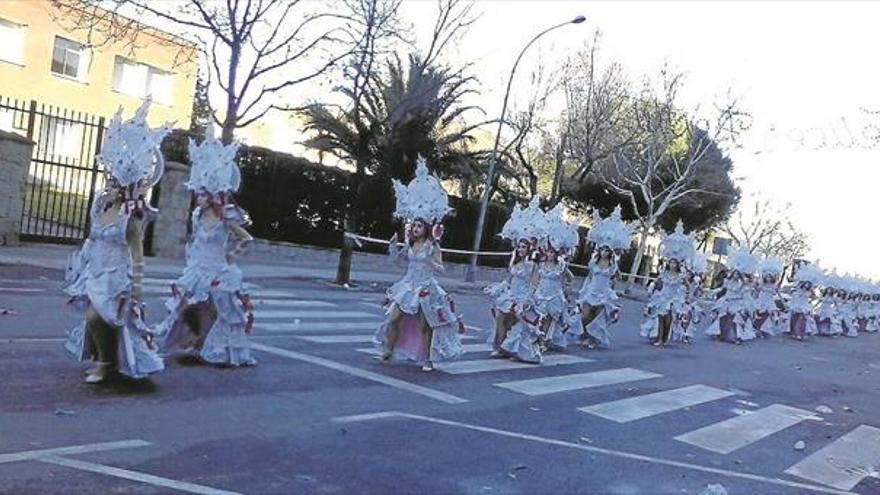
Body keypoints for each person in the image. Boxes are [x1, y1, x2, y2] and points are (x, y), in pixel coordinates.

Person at [63, 100, 169, 384]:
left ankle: (107, 363)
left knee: (98, 318)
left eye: (114, 182)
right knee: (94, 319)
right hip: (93, 272)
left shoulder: (130, 215)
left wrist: (136, 286)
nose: (109, 184)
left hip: (115, 277)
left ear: (125, 185)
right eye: (109, 179)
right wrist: (81, 263)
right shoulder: (100, 206)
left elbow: (137, 251)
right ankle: (103, 361)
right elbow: (92, 238)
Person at [157, 126, 256, 366]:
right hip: (198, 270)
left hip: (218, 271)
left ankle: (209, 345)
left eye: (201, 195)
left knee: (218, 311)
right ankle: (191, 339)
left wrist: (231, 257)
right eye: (197, 194)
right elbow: (195, 240)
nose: (197, 198)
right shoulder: (196, 216)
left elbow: (246, 238)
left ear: (212, 196)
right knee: (187, 306)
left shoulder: (225, 218)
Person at [374, 156, 465, 372]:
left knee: (426, 326)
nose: (415, 228)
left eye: (419, 225)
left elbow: (440, 268)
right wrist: (394, 248)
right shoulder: (410, 244)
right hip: (407, 286)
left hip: (425, 288)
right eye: (413, 224)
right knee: (394, 318)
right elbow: (398, 262)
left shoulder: (432, 247)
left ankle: (427, 359)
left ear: (426, 227)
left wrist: (431, 255)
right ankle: (388, 350)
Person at [484, 196, 542, 363]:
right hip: (510, 295)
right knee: (501, 319)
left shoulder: (532, 264)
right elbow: (508, 279)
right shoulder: (514, 259)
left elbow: (534, 282)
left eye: (524, 247)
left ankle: (513, 349)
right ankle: (501, 347)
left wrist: (528, 299)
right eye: (519, 246)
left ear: (529, 247)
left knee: (517, 324)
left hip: (523, 297)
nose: (521, 249)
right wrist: (497, 288)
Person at [577, 206, 631, 349]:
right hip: (592, 290)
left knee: (597, 318)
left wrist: (617, 267)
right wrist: (584, 289)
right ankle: (583, 334)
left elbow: (618, 278)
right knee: (584, 315)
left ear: (610, 252)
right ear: (600, 250)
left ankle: (592, 339)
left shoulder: (612, 264)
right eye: (603, 249)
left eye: (607, 250)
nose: (604, 252)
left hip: (604, 292)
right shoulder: (593, 261)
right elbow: (589, 276)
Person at [533, 205, 581, 352]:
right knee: (538, 318)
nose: (549, 254)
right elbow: (536, 278)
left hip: (554, 295)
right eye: (548, 252)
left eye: (552, 252)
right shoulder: (540, 264)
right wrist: (533, 291)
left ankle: (544, 341)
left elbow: (570, 278)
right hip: (541, 293)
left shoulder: (560, 266)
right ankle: (537, 338)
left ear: (556, 253)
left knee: (549, 318)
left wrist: (564, 267)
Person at [640, 221, 694, 347]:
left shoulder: (681, 275)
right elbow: (656, 282)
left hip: (673, 299)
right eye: (671, 262)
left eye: (674, 263)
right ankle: (659, 338)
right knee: (660, 318)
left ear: (678, 265)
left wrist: (686, 296)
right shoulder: (663, 273)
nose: (672, 264)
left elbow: (687, 286)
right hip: (662, 297)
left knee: (668, 320)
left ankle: (664, 338)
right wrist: (651, 289)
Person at [704, 248, 758, 344]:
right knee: (722, 317)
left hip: (737, 303)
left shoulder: (742, 283)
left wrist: (748, 286)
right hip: (727, 301)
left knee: (736, 319)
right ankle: (719, 334)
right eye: (734, 273)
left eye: (737, 273)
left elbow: (747, 290)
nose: (735, 275)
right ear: (732, 274)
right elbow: (721, 289)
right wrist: (712, 291)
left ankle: (735, 337)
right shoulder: (727, 281)